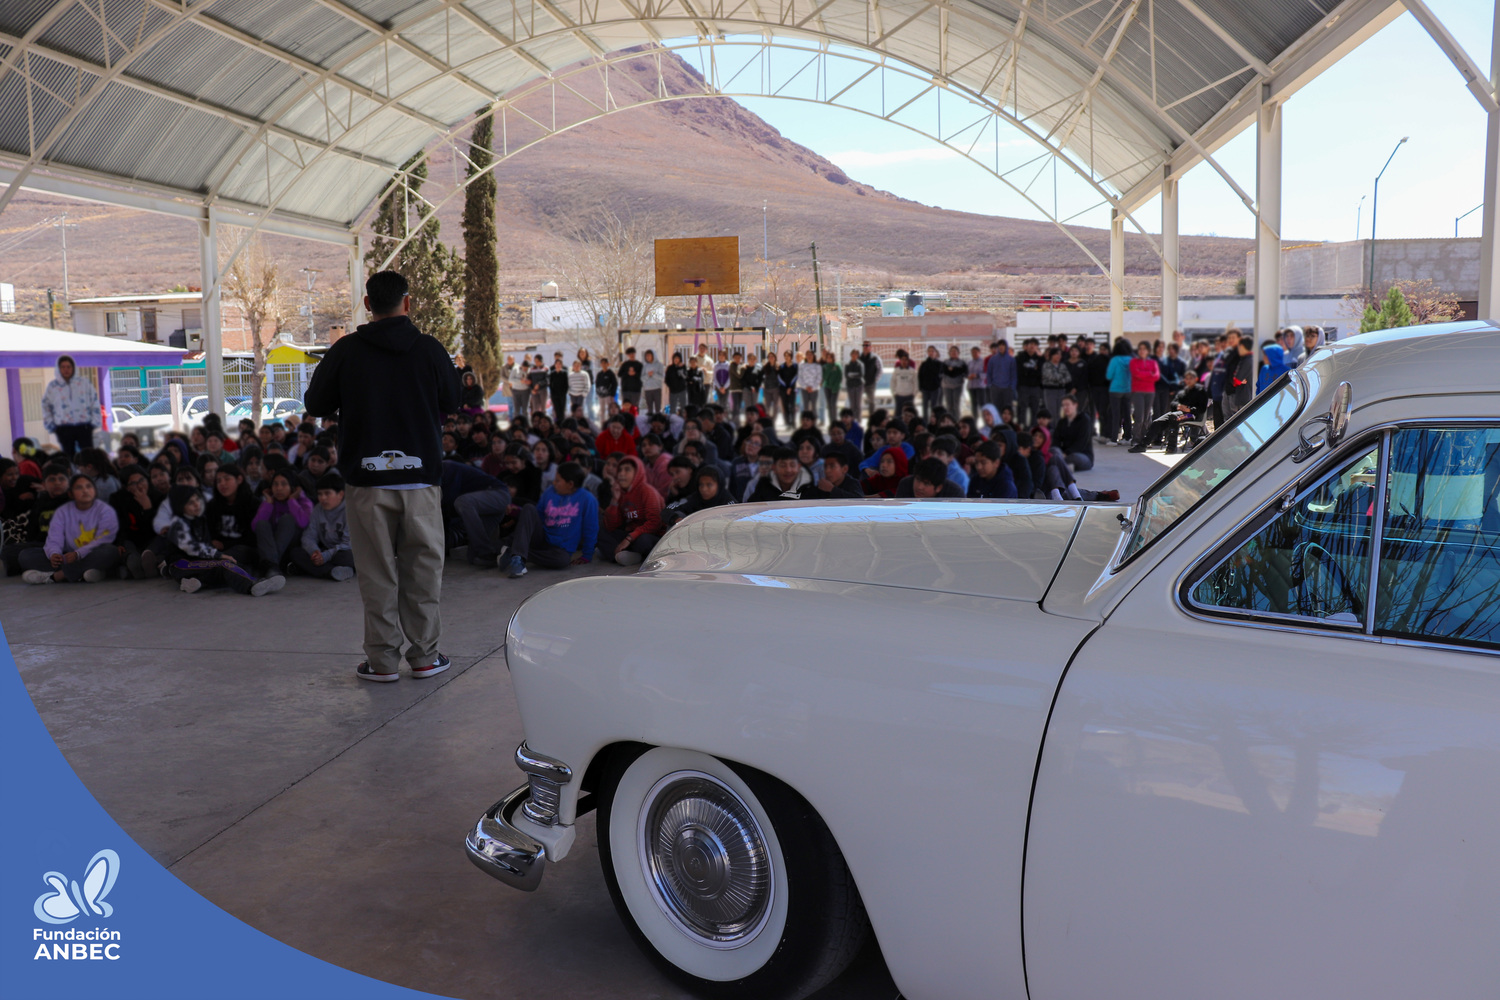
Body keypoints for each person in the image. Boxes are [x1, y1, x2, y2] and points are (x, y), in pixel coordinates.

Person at [302, 269, 460, 683]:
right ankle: (425, 657)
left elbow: (315, 403)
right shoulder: (429, 349)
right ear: (407, 303)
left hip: (366, 485)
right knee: (423, 572)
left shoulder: (346, 351)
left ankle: (382, 661)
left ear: (368, 304)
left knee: (376, 574)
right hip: (421, 480)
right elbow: (455, 398)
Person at [162, 485, 283, 596]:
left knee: (236, 556)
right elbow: (193, 548)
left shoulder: (199, 520)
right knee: (224, 564)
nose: (196, 504)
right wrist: (219, 555)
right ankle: (252, 585)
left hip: (201, 561)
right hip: (182, 564)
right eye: (190, 503)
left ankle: (199, 581)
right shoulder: (178, 525)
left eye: (197, 500)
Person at [499, 461, 599, 577]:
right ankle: (518, 559)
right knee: (529, 508)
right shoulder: (550, 492)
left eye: (558, 480)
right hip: (542, 538)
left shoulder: (587, 499)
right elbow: (537, 516)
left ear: (570, 484)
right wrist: (518, 513)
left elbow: (590, 528)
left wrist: (587, 555)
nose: (554, 483)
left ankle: (513, 552)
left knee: (562, 561)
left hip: (560, 548)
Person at [19, 474, 119, 584]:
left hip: (88, 553)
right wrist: (53, 554)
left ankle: (57, 576)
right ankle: (89, 572)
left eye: (88, 487)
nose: (85, 491)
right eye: (79, 488)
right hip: (66, 555)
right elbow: (54, 538)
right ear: (70, 493)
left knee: (110, 551)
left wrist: (77, 554)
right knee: (25, 555)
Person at [596, 454, 663, 566]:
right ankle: (623, 555)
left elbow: (655, 523)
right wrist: (614, 501)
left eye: (627, 470)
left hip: (649, 535)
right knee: (597, 527)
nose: (622, 474)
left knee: (643, 541)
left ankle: (616, 553)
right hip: (631, 534)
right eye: (620, 470)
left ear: (637, 473)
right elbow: (611, 525)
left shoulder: (647, 491)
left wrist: (629, 538)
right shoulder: (621, 492)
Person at [289, 474, 355, 581]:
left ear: (340, 494)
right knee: (296, 553)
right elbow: (308, 536)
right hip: (325, 551)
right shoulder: (318, 509)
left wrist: (326, 556)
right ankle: (334, 571)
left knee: (348, 557)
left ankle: (323, 569)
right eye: (320, 494)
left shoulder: (350, 510)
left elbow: (350, 543)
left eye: (327, 493)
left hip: (343, 551)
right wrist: (315, 552)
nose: (323, 498)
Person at [252, 469, 312, 573]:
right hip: (270, 547)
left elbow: (303, 523)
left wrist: (292, 500)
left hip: (291, 549)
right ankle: (272, 568)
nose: (279, 488)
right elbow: (255, 527)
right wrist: (268, 503)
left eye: (284, 484)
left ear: (292, 487)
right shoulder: (270, 502)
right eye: (275, 484)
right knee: (261, 524)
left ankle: (270, 565)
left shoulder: (304, 502)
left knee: (288, 519)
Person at [40, 355, 100, 455]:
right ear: (59, 369)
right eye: (63, 367)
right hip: (64, 428)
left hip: (84, 426)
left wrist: (94, 421)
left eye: (68, 367)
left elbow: (94, 402)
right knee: (68, 455)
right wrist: (52, 425)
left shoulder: (84, 383)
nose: (66, 370)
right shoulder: (53, 387)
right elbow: (46, 405)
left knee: (88, 454)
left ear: (73, 368)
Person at [747, 447, 814, 502]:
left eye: (792, 465)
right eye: (783, 465)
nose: (788, 470)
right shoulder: (763, 486)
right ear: (774, 468)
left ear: (799, 467)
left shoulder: (809, 489)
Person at [1128, 341, 1161, 449]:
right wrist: (1149, 374)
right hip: (1137, 391)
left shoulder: (1153, 363)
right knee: (1139, 416)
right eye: (1140, 349)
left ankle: (1144, 440)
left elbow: (1156, 376)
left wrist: (1143, 374)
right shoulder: (1133, 362)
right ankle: (1136, 439)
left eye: (1144, 349)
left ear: (1148, 351)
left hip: (1150, 391)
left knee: (1147, 416)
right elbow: (1135, 373)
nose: (1142, 351)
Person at [1052, 396, 1096, 470]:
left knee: (1074, 457)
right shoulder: (1062, 422)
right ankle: (1063, 465)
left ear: (1075, 405)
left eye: (1067, 405)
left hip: (1082, 455)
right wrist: (1058, 452)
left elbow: (1081, 443)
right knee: (1053, 450)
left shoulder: (1084, 420)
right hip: (1063, 454)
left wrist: (1066, 454)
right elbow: (1056, 439)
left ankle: (1060, 464)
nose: (1065, 407)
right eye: (1063, 405)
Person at [1105, 338, 1134, 445]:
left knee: (1115, 414)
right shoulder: (1131, 360)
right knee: (1127, 414)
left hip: (1115, 389)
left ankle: (1114, 439)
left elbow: (1109, 376)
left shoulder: (1115, 360)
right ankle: (1128, 437)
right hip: (1128, 389)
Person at [896, 456, 964, 498]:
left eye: (926, 483)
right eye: (918, 479)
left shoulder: (955, 494)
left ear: (939, 488)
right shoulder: (905, 484)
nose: (919, 487)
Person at [1015, 339, 1043, 428]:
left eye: (1035, 344)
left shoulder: (1040, 358)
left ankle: (1033, 428)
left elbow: (1040, 373)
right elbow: (1020, 371)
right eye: (1031, 344)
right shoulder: (1020, 357)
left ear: (1037, 347)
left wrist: (1029, 372)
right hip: (1023, 387)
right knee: (1022, 408)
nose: (1032, 346)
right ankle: (1021, 427)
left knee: (1035, 409)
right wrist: (1032, 370)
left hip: (1036, 387)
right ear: (1027, 346)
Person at [985, 340, 1017, 416]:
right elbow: (989, 373)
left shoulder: (1011, 360)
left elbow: (1013, 374)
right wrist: (990, 385)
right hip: (995, 388)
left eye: (1003, 345)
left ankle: (1007, 422)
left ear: (1006, 347)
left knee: (1007, 409)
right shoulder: (993, 359)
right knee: (996, 409)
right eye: (999, 345)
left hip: (1007, 388)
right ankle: (997, 422)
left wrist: (1012, 387)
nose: (1001, 347)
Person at [1040, 347, 1072, 423]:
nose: (1059, 356)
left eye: (1060, 354)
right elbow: (1051, 376)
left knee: (1060, 412)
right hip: (1050, 390)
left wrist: (1061, 380)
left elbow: (1068, 378)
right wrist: (1062, 378)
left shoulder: (1062, 365)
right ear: (1052, 355)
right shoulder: (1046, 365)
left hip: (1061, 390)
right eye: (1056, 354)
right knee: (1051, 411)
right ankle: (1052, 428)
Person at [917, 345, 944, 421]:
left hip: (935, 388)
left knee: (934, 407)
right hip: (925, 388)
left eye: (933, 351)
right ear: (927, 353)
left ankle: (934, 421)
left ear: (935, 353)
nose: (931, 353)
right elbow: (920, 376)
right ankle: (925, 422)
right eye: (929, 351)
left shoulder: (939, 364)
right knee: (925, 406)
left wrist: (939, 385)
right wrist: (920, 387)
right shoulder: (924, 364)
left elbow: (942, 376)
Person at [858, 343, 883, 422]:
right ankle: (858, 420)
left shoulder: (875, 358)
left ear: (870, 347)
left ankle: (872, 420)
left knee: (871, 402)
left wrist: (875, 379)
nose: (865, 347)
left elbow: (880, 369)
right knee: (858, 402)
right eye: (864, 346)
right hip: (860, 384)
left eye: (867, 346)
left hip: (870, 384)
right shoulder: (859, 357)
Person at [889, 350, 918, 415]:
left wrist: (914, 394)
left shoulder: (912, 371)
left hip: (909, 396)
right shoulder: (896, 371)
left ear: (908, 361)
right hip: (899, 396)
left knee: (910, 414)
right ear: (900, 360)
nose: (904, 361)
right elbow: (892, 382)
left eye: (906, 360)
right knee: (898, 415)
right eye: (902, 359)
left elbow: (916, 383)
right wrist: (894, 393)